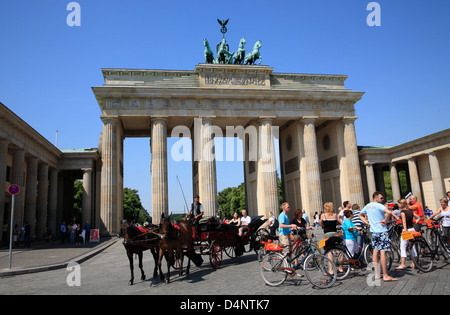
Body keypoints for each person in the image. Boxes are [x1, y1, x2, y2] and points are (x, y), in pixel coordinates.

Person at [359, 191, 400, 282]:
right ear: (376, 198)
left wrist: (367, 223)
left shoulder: (368, 206)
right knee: (383, 253)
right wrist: (395, 218)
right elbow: (388, 212)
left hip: (373, 232)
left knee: (375, 252)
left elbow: (360, 215)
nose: (382, 199)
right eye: (381, 198)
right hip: (382, 231)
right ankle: (385, 275)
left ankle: (377, 274)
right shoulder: (379, 205)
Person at [396, 198, 420, 270]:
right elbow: (418, 217)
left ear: (402, 204)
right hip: (412, 229)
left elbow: (404, 222)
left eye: (399, 204)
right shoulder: (410, 211)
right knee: (412, 246)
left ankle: (402, 264)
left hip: (406, 230)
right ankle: (414, 263)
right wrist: (414, 222)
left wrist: (405, 231)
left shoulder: (402, 212)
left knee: (403, 247)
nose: (398, 205)